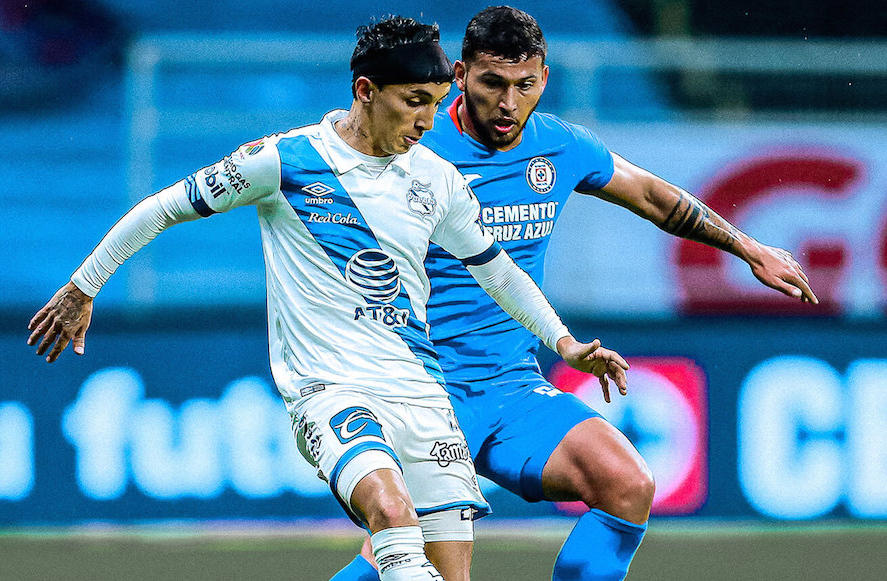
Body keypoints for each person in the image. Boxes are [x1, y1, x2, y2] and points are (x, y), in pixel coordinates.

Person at [27, 15, 629, 581]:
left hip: (423, 394)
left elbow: (498, 273)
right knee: (391, 515)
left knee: (450, 571)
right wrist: (83, 287)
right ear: (366, 90)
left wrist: (564, 343)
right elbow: (163, 208)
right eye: (413, 102)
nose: (428, 121)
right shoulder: (285, 162)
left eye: (435, 102)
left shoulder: (435, 178)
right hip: (333, 390)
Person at [329, 6, 819, 581]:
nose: (508, 103)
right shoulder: (413, 149)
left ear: (544, 78)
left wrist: (749, 248)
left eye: (524, 85)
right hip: (422, 394)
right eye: (492, 83)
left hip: (511, 390)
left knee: (627, 484)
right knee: (406, 562)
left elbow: (653, 197)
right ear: (459, 76)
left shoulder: (559, 146)